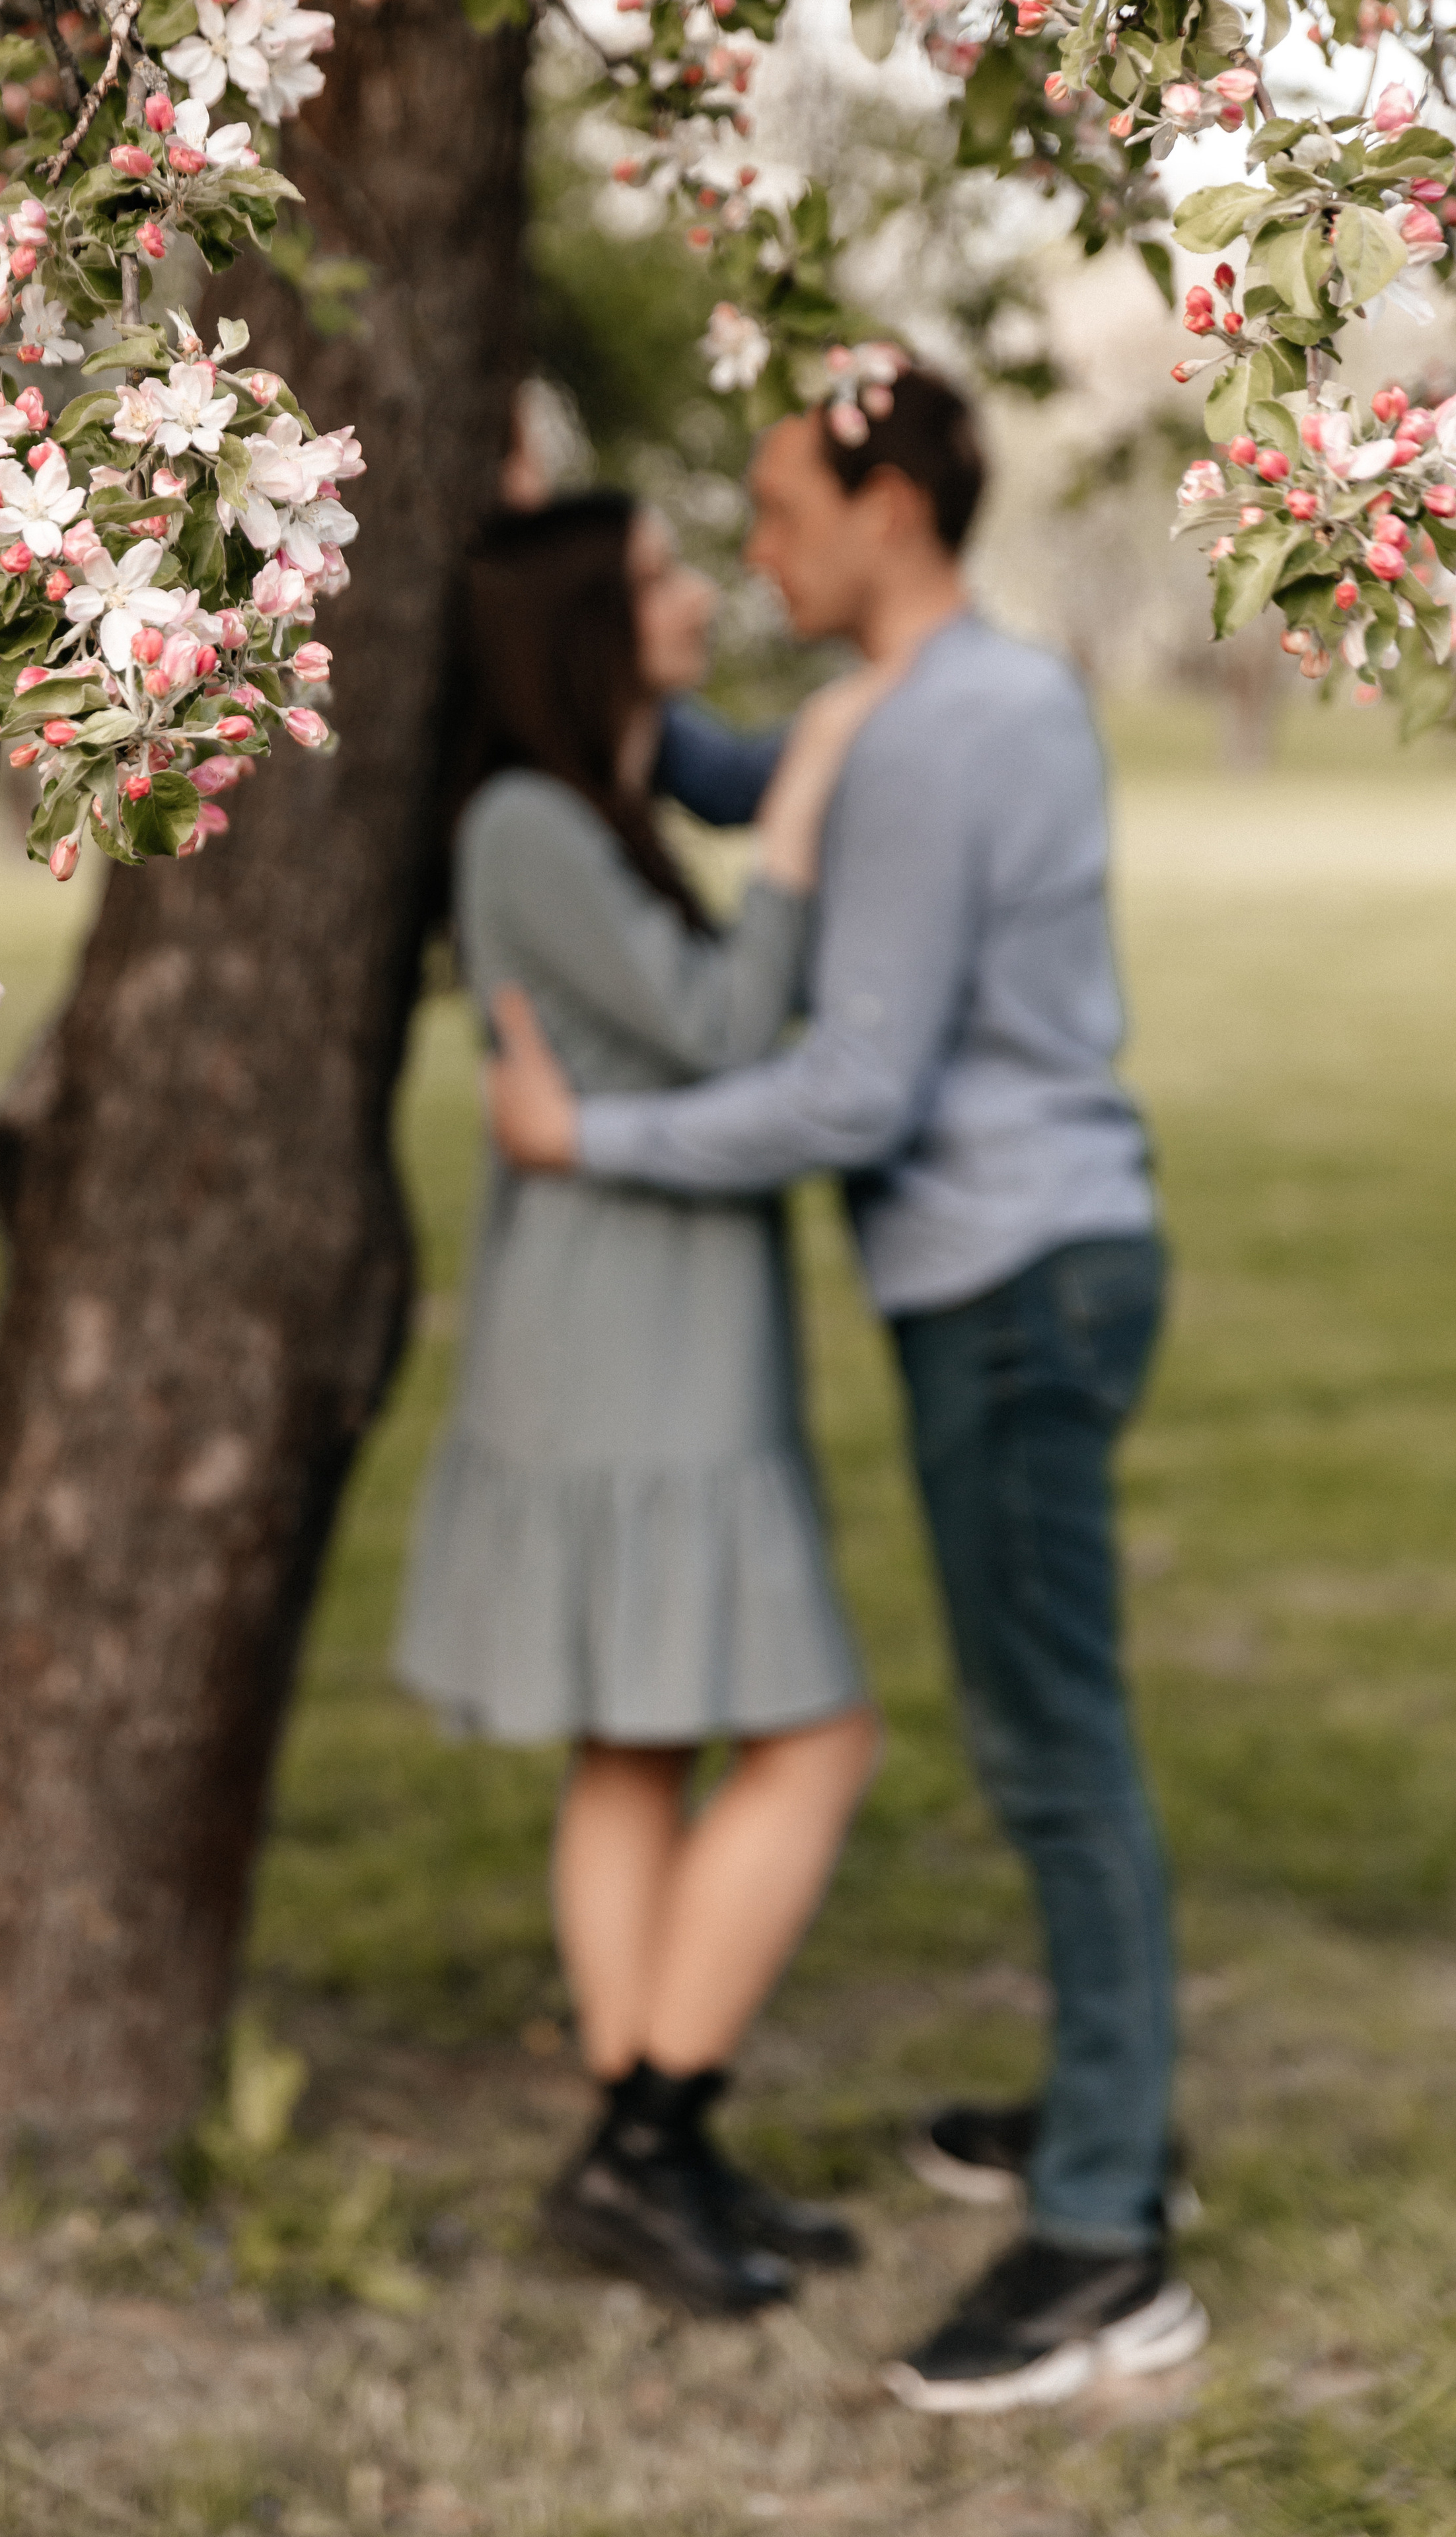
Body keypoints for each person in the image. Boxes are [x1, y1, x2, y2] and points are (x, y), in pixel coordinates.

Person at [485, 374, 1210, 2412]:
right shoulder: (903, 708)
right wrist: (533, 558)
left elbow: (852, 1088)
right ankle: (1103, 2105)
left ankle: (1105, 2237)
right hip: (1015, 1269)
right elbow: (705, 765)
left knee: (1054, 1742)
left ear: (891, 503)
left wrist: (589, 1147)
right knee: (1048, 1723)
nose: (756, 538)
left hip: (1015, 1282)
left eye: (789, 502)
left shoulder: (951, 727)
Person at [394, 490, 887, 2319]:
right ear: (593, 630)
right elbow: (722, 1023)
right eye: (665, 577)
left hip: (659, 1325)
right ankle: (653, 2128)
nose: (698, 593)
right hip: (621, 1356)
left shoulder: (602, 786)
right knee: (812, 1737)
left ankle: (640, 2151)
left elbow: (727, 777)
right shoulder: (527, 823)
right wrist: (809, 838)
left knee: (639, 1742)